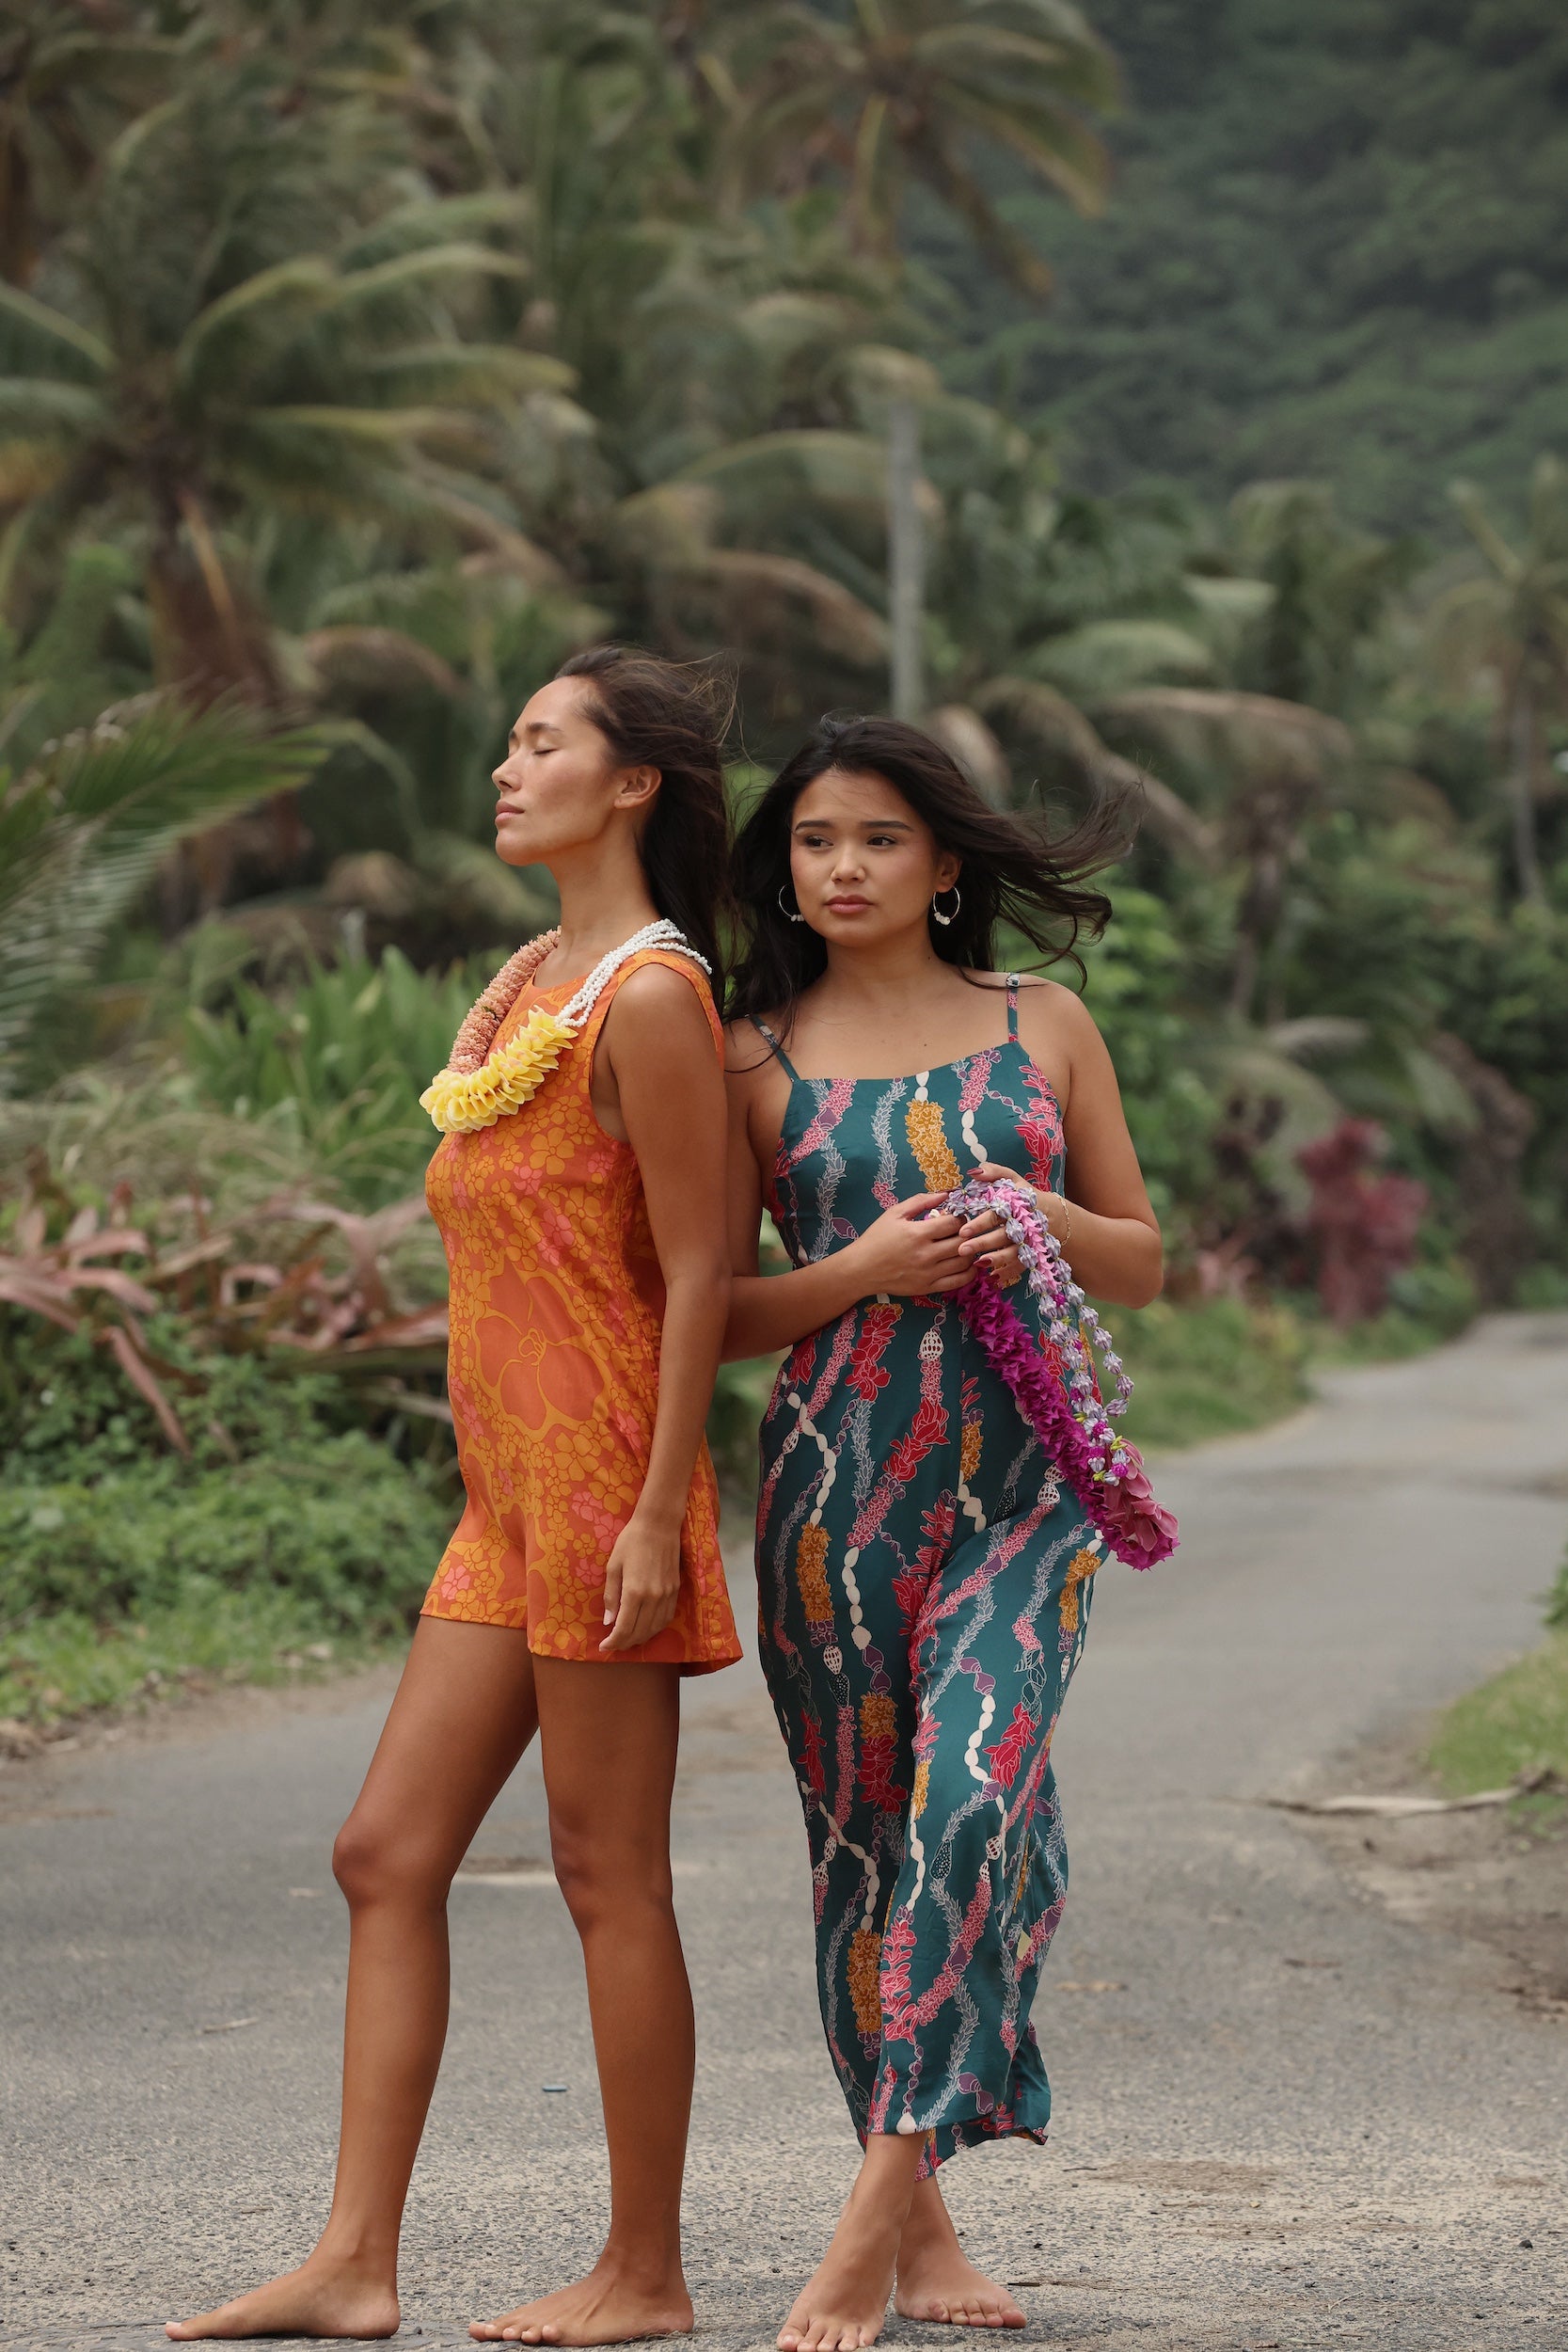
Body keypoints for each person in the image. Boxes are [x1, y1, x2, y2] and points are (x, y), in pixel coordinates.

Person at [167, 646, 741, 2347]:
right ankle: (355, 2262)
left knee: (604, 1872)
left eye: (542, 742)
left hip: (602, 1494)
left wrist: (654, 1513)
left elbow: (705, 1270)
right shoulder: (519, 984)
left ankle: (646, 2277)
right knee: (384, 1851)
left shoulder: (649, 993)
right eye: (508, 742)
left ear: (631, 781)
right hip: (502, 1503)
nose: (506, 769)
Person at [722, 717, 1164, 2352]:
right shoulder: (747, 1054)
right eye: (815, 841)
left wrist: (1042, 1215)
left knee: (976, 1802)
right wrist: (861, 1272)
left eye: (879, 840)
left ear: (947, 863)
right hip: (839, 1494)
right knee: (865, 1847)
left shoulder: (1041, 1024)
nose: (840, 868)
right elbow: (705, 1313)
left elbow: (1142, 1260)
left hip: (1026, 1484)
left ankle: (854, 2240)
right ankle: (915, 2220)